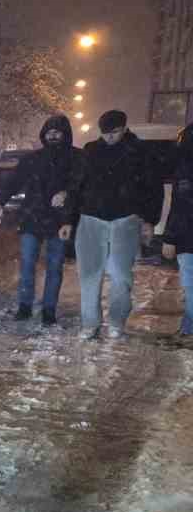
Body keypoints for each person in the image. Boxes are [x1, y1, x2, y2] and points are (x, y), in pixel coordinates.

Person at [70, 109, 163, 339]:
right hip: (91, 218)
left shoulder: (139, 152)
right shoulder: (91, 151)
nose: (109, 137)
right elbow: (77, 185)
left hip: (125, 219)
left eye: (114, 132)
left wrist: (150, 220)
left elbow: (153, 187)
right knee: (89, 273)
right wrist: (68, 218)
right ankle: (90, 322)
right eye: (105, 133)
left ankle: (116, 320)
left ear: (124, 128)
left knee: (121, 274)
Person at [0, 114, 80, 325]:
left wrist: (67, 194)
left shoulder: (77, 158)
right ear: (44, 134)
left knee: (54, 266)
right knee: (27, 265)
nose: (53, 136)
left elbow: (81, 186)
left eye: (57, 132)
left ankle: (49, 310)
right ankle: (24, 305)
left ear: (66, 134)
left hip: (60, 220)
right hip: (32, 218)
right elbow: (13, 181)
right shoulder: (32, 159)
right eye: (49, 132)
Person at [161, 124, 193, 342]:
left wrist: (170, 238)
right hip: (186, 237)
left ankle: (189, 329)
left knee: (191, 286)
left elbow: (180, 207)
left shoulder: (185, 169)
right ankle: (188, 327)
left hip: (187, 238)